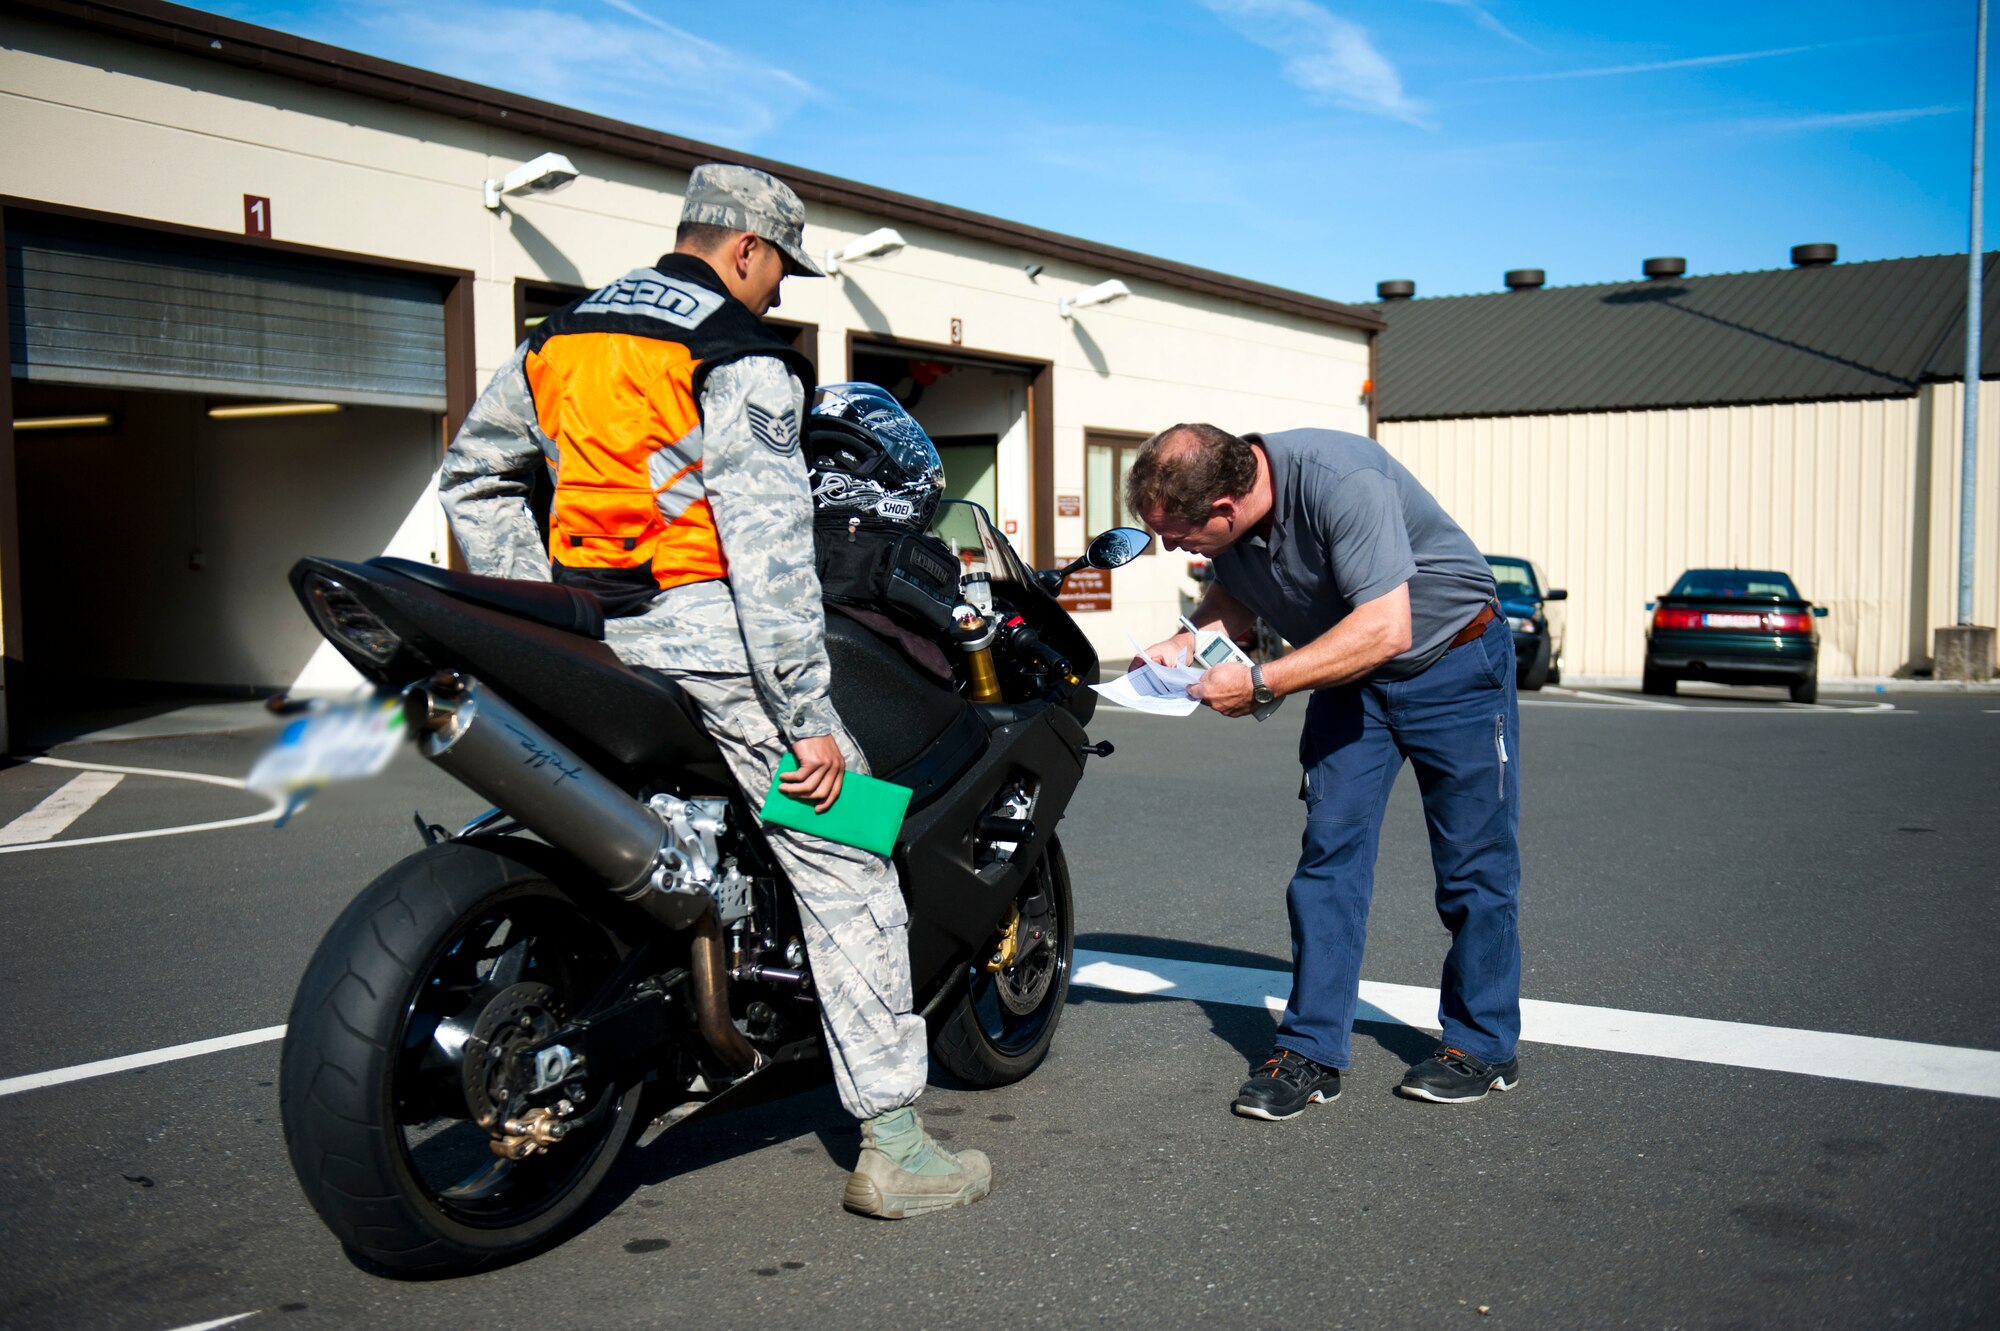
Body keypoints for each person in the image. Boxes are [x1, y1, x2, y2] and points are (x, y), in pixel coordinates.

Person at [437, 163, 990, 1217]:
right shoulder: (738, 353)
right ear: (744, 247)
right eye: (779, 269)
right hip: (705, 636)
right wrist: (808, 717)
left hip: (585, 636)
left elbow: (475, 475)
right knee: (854, 853)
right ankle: (895, 1144)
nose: (778, 291)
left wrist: (537, 599)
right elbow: (771, 553)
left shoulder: (558, 337)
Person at [1127, 423, 1522, 1120]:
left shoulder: (1341, 482)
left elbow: (1386, 626)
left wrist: (1262, 682)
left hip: (1451, 659)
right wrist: (1184, 641)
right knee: (1327, 861)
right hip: (1350, 674)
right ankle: (1310, 1050)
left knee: (1472, 865)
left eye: (1179, 532)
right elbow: (1235, 596)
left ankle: (1483, 1044)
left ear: (1226, 507)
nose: (1169, 546)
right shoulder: (1230, 514)